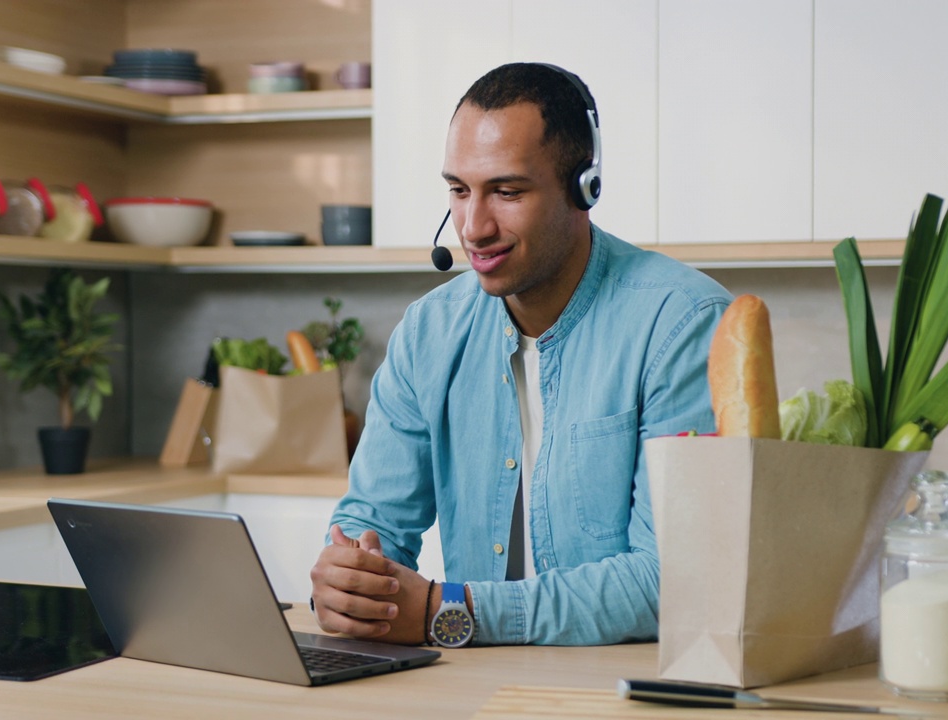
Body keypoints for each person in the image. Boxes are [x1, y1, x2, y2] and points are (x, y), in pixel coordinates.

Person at [309, 63, 732, 646]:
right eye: (458, 190)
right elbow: (372, 526)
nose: (473, 227)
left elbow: (674, 579)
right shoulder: (428, 333)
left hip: (620, 690)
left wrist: (447, 610)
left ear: (584, 187)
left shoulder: (683, 324)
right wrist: (345, 583)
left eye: (506, 192)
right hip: (466, 687)